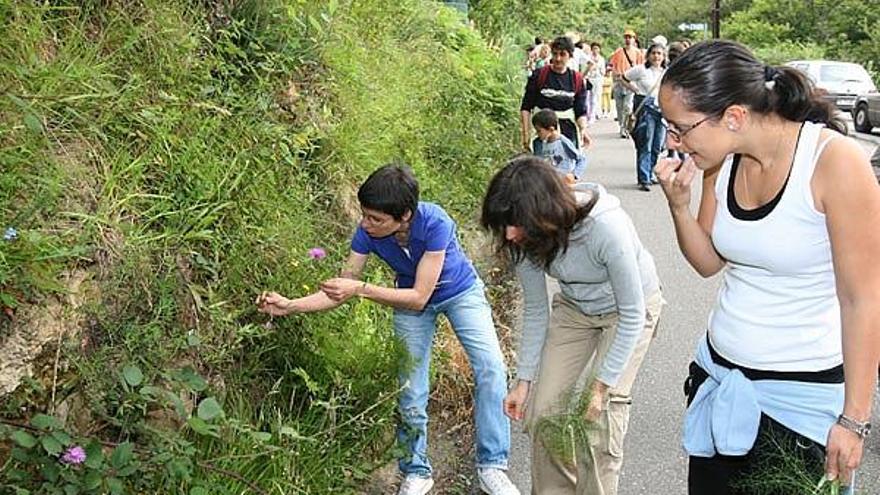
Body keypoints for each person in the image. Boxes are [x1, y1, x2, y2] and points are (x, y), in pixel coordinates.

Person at [654, 40, 880, 495]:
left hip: (800, 405)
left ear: (734, 116)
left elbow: (863, 298)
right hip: (720, 381)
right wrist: (679, 206)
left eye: (681, 128)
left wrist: (854, 420)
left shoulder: (834, 162)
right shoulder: (722, 160)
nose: (673, 142)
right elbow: (707, 262)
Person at [257, 165, 520, 495]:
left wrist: (361, 290)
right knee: (410, 388)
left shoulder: (435, 222)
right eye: (365, 216)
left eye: (375, 219)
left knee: (491, 368)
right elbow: (342, 288)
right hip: (407, 299)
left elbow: (418, 296)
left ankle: (492, 465)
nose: (366, 224)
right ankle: (417, 470)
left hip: (458, 293)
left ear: (405, 215)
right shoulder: (365, 233)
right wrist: (290, 304)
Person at [481, 156, 663, 495]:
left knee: (597, 420)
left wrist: (601, 386)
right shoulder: (521, 238)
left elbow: (633, 311)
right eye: (504, 224)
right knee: (543, 414)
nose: (509, 234)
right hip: (576, 310)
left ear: (543, 213)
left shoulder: (606, 227)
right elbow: (536, 311)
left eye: (515, 223)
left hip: (627, 312)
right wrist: (524, 381)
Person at [520, 36, 592, 152]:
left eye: (562, 54)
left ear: (570, 56)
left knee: (567, 168)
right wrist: (526, 135)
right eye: (555, 54)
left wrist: (583, 131)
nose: (558, 58)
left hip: (567, 133)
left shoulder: (576, 79)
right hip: (542, 133)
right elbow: (526, 107)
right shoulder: (539, 76)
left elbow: (580, 110)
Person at [625, 43, 667, 191]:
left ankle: (650, 173)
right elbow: (623, 77)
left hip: (662, 110)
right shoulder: (641, 70)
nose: (656, 56)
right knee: (646, 144)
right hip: (646, 109)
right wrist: (634, 89)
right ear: (648, 55)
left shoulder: (666, 72)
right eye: (654, 53)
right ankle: (644, 178)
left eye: (659, 54)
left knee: (658, 145)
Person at [531, 109, 588, 183]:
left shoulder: (563, 142)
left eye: (539, 131)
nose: (537, 134)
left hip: (564, 183)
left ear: (551, 129)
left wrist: (574, 175)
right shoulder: (538, 143)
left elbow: (581, 159)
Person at [609, 29, 645, 139]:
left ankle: (625, 128)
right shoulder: (618, 52)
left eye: (630, 37)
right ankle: (621, 125)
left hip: (630, 83)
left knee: (627, 106)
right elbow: (612, 65)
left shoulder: (638, 53)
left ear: (634, 39)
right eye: (626, 37)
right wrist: (615, 75)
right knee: (619, 107)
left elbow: (641, 68)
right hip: (619, 82)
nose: (628, 39)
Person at [585, 42, 606, 123]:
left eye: (597, 48)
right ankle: (587, 115)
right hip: (589, 79)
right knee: (587, 98)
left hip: (597, 79)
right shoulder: (588, 58)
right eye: (594, 48)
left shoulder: (601, 59)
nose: (595, 50)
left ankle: (593, 116)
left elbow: (603, 71)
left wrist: (597, 67)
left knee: (595, 98)